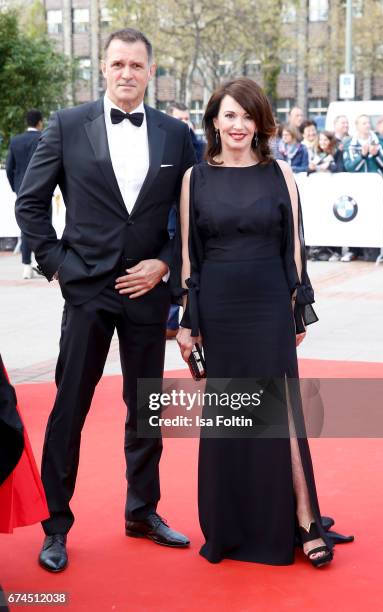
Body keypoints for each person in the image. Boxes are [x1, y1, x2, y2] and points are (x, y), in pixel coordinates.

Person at [15, 27, 196, 573]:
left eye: (137, 66)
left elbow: (192, 214)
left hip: (147, 293)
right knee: (69, 409)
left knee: (146, 412)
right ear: (103, 68)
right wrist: (60, 267)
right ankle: (56, 526)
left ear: (150, 70)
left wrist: (166, 262)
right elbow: (31, 204)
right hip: (88, 291)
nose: (127, 74)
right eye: (118, 64)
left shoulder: (174, 134)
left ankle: (142, 511)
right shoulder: (69, 125)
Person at [177, 78, 352, 567]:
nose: (238, 125)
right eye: (229, 115)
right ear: (214, 120)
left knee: (280, 409)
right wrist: (189, 323)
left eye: (248, 116)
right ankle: (232, 523)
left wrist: (297, 306)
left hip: (268, 305)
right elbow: (190, 256)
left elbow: (294, 247)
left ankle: (302, 517)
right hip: (219, 307)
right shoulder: (196, 178)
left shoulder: (280, 175)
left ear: (261, 123)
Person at [165, 102, 205, 338]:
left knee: (190, 269)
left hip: (195, 216)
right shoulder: (161, 143)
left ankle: (188, 318)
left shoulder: (197, 144)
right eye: (179, 119)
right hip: (170, 218)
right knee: (172, 269)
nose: (185, 123)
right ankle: (170, 323)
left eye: (187, 118)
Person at [0, 354, 49, 533]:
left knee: (143, 386)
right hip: (85, 325)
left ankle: (140, 503)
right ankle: (57, 525)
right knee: (70, 405)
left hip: (143, 328)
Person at [343, 114, 383, 261]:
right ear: (357, 126)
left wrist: (375, 156)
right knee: (356, 217)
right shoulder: (350, 143)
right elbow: (349, 167)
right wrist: (362, 156)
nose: (367, 125)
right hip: (358, 188)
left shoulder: (380, 140)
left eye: (368, 123)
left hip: (376, 187)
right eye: (364, 123)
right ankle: (354, 250)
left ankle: (377, 250)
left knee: (377, 217)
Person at [6, 110, 43, 279]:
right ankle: (41, 263)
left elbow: (9, 168)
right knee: (44, 226)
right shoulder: (44, 138)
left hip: (22, 191)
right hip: (43, 189)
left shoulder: (15, 141)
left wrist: (16, 188)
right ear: (39, 123)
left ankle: (26, 265)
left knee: (25, 227)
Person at [308, 131, 344, 262]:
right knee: (322, 219)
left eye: (325, 140)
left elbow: (341, 168)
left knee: (334, 219)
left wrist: (329, 165)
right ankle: (320, 251)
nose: (322, 143)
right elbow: (308, 171)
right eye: (321, 140)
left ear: (331, 141)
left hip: (334, 193)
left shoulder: (337, 153)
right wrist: (311, 168)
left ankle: (336, 251)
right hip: (320, 194)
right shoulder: (316, 154)